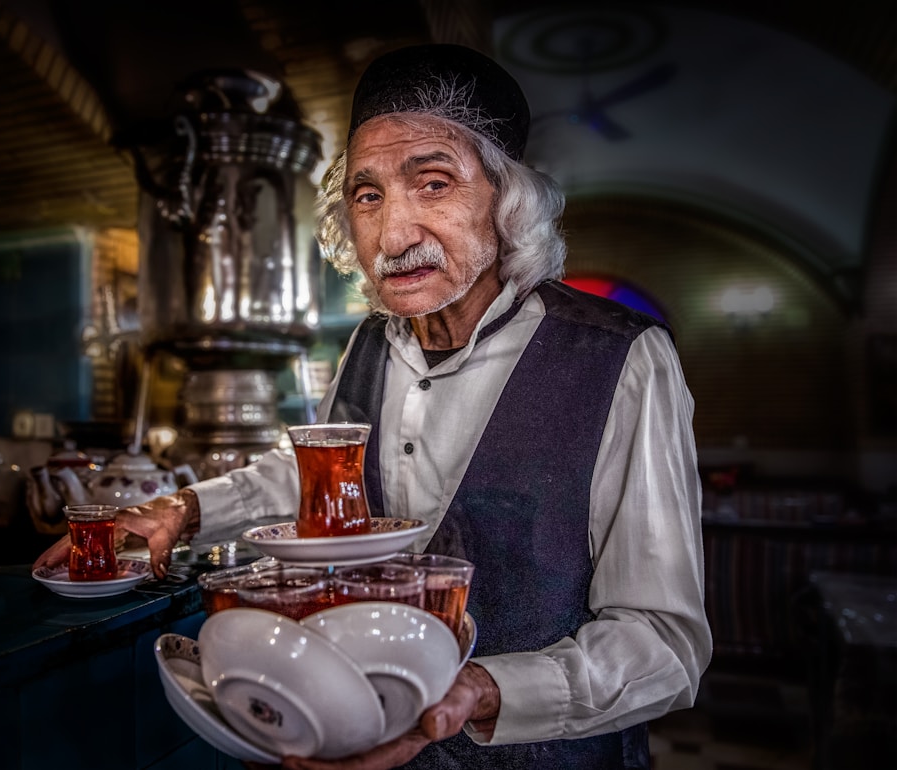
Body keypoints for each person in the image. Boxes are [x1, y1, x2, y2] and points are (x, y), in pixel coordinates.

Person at [35, 43, 712, 770]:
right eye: (367, 195)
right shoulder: (368, 344)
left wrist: (482, 691)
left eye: (433, 183)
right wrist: (181, 510)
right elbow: (314, 476)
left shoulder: (619, 357)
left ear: (508, 203)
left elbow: (663, 641)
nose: (392, 235)